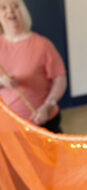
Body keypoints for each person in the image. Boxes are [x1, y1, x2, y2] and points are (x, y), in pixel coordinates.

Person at [0, 0, 66, 133]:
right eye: (3, 8)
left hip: (42, 124)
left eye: (15, 6)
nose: (10, 11)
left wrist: (47, 107)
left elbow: (60, 80)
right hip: (7, 127)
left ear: (23, 11)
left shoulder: (43, 45)